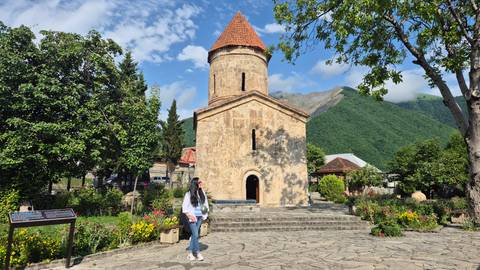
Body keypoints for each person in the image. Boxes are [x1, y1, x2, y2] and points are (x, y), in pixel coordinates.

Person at [182, 177, 209, 261]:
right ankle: (197, 253)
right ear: (195, 183)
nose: (201, 183)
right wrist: (190, 216)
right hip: (193, 218)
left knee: (194, 235)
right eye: (199, 182)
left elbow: (205, 204)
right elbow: (184, 207)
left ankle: (190, 253)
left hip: (200, 217)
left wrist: (205, 215)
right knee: (196, 235)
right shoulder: (189, 194)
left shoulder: (202, 193)